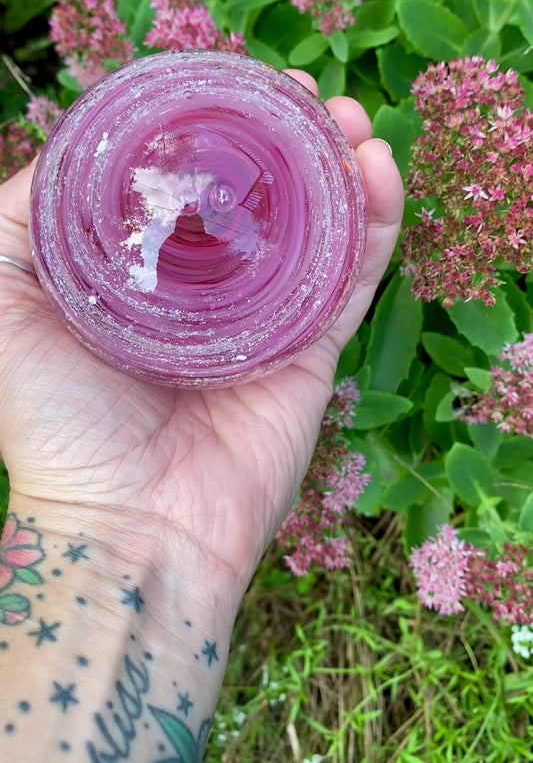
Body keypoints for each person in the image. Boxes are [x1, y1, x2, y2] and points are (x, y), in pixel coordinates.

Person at [0, 70, 404, 761]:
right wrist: (103, 520)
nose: (198, 210)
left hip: (263, 289)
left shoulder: (281, 220)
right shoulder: (98, 201)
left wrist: (96, 522)